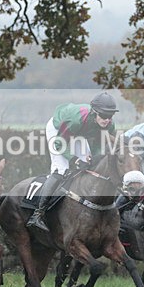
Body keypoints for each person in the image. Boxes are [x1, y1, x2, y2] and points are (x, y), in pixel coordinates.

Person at [26, 91, 118, 232]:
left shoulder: (109, 125)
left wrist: (94, 159)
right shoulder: (76, 120)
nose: (107, 120)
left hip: (81, 132)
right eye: (104, 116)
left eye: (110, 116)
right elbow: (59, 143)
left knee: (89, 165)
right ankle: (38, 214)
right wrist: (74, 160)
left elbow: (98, 145)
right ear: (94, 112)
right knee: (61, 169)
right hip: (59, 130)